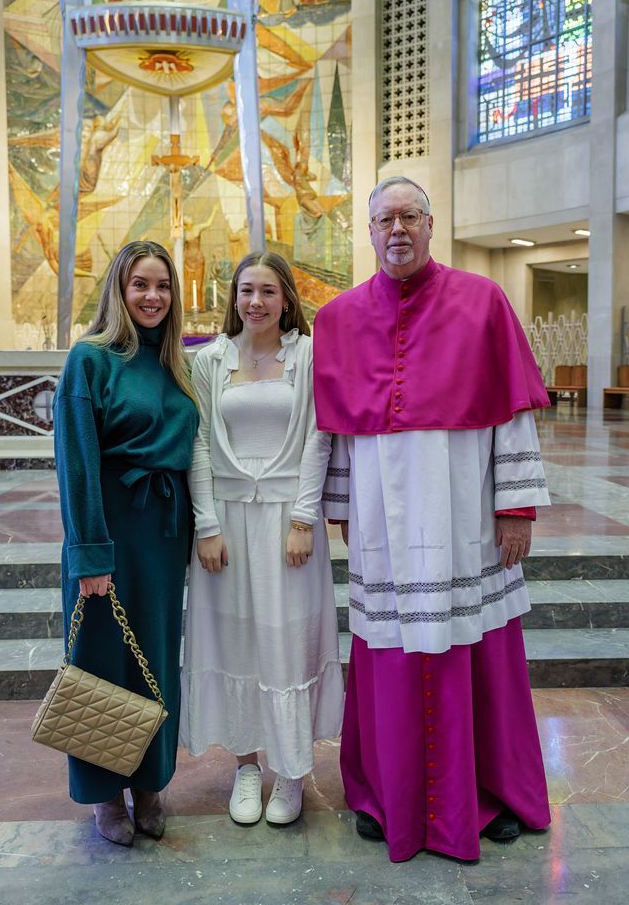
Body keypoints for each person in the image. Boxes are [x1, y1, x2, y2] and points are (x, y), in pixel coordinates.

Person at [313, 176, 551, 864]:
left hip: (465, 515)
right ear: (368, 232)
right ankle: (386, 794)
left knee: (478, 653)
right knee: (389, 655)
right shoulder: (338, 319)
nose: (398, 230)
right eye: (385, 219)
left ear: (430, 224)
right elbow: (338, 433)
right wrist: (341, 509)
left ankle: (489, 793)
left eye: (410, 217)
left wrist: (515, 507)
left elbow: (512, 413)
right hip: (383, 527)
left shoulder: (484, 301)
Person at [180, 251, 343, 826]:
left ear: (286, 299)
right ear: (234, 298)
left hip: (287, 522)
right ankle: (247, 766)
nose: (256, 302)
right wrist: (206, 525)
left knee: (286, 642)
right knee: (236, 643)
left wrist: (303, 520)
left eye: (268, 291)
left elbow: (319, 438)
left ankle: (292, 770)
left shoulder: (309, 355)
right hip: (226, 524)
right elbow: (199, 442)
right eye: (247, 290)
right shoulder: (209, 360)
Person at [53, 240, 198, 846]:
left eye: (163, 285)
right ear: (119, 289)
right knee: (102, 662)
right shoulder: (90, 359)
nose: (152, 296)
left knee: (154, 660)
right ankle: (105, 793)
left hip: (161, 536)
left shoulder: (174, 361)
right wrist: (91, 552)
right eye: (141, 284)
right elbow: (76, 463)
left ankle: (149, 783)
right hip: (108, 528)